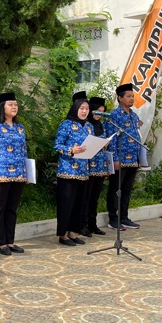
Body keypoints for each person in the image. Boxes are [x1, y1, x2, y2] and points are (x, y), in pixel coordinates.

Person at [0, 92, 29, 256]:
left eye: (16, 105)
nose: (14, 107)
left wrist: (25, 173)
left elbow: (24, 151)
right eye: (11, 104)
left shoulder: (19, 127)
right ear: (2, 107)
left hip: (18, 174)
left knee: (12, 209)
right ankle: (0, 242)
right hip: (1, 174)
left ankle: (10, 241)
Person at [103, 83, 144, 230]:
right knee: (116, 189)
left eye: (132, 96)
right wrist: (114, 159)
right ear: (120, 98)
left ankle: (124, 217)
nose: (131, 98)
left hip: (133, 159)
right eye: (128, 96)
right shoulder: (114, 115)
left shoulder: (134, 115)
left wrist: (140, 157)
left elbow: (136, 136)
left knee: (126, 189)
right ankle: (113, 219)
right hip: (120, 158)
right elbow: (111, 137)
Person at [54, 95, 93, 246]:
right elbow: (57, 145)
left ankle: (73, 233)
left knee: (79, 204)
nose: (84, 112)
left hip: (83, 171)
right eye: (81, 108)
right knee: (66, 204)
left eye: (87, 109)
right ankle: (63, 235)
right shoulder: (66, 124)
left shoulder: (89, 126)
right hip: (67, 170)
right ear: (75, 109)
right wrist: (71, 150)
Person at [86, 96, 110, 235]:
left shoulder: (101, 125)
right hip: (89, 165)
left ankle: (92, 224)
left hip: (100, 165)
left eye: (101, 112)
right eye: (97, 111)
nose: (98, 115)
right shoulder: (86, 125)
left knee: (95, 198)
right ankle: (83, 225)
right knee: (86, 197)